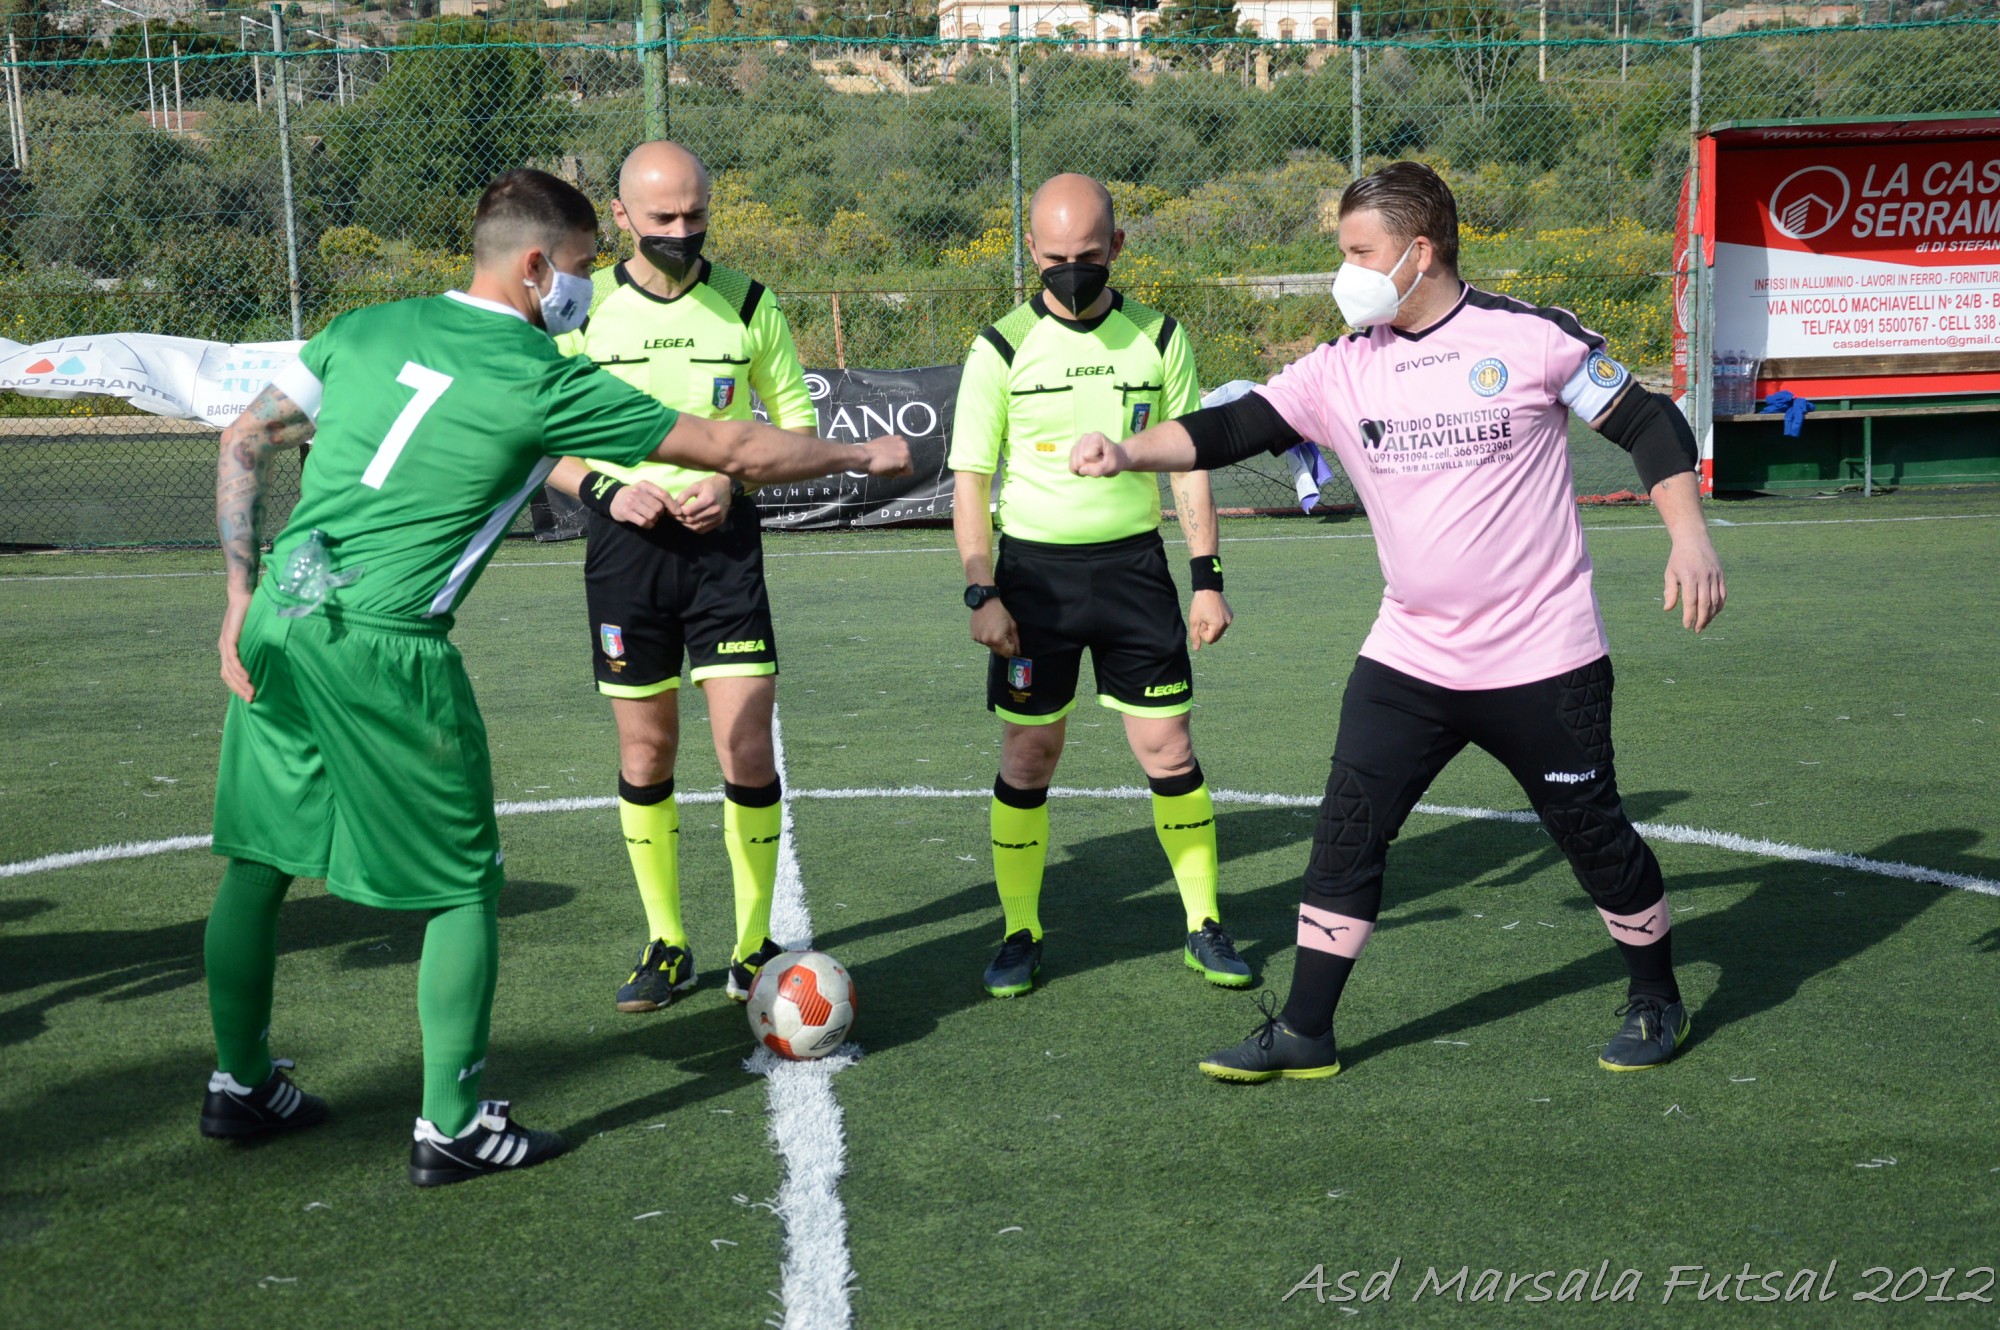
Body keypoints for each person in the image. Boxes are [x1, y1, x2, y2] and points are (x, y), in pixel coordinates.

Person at [203, 169, 909, 1185]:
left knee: (260, 859)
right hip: (387, 643)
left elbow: (242, 438)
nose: (582, 290)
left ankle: (238, 1085)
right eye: (579, 269)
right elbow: (732, 442)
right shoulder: (538, 373)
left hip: (285, 610)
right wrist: (864, 455)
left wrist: (238, 594)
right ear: (536, 266)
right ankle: (451, 1126)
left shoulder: (363, 327)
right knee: (459, 887)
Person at [1069, 161, 1725, 1080]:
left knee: (1593, 836)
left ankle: (1656, 997)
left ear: (1419, 253)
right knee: (1347, 830)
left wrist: (1687, 538)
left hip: (1544, 659)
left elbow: (1650, 425)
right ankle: (1303, 1030)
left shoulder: (1526, 338)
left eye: (1357, 252)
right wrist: (1127, 451)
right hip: (1409, 657)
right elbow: (1232, 429)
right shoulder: (1342, 366)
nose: (1345, 272)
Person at [949, 172, 1249, 999]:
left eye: (1087, 255)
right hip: (1033, 581)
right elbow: (970, 481)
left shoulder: (1160, 338)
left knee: (1169, 748)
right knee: (1029, 752)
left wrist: (1207, 581)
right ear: (1030, 255)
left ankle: (1204, 924)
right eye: (1054, 258)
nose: (1071, 271)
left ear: (1117, 247)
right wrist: (983, 592)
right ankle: (1019, 930)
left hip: (1133, 574)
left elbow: (1189, 466)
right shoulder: (1000, 348)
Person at [541, 142, 819, 1014]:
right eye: (661, 218)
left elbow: (798, 421)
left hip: (724, 549)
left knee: (744, 742)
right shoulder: (578, 313)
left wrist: (733, 478)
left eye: (695, 215)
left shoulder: (748, 302)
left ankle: (751, 945)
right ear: (621, 216)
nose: (682, 231)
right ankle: (665, 941)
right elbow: (535, 434)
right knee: (646, 750)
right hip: (625, 552)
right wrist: (606, 491)